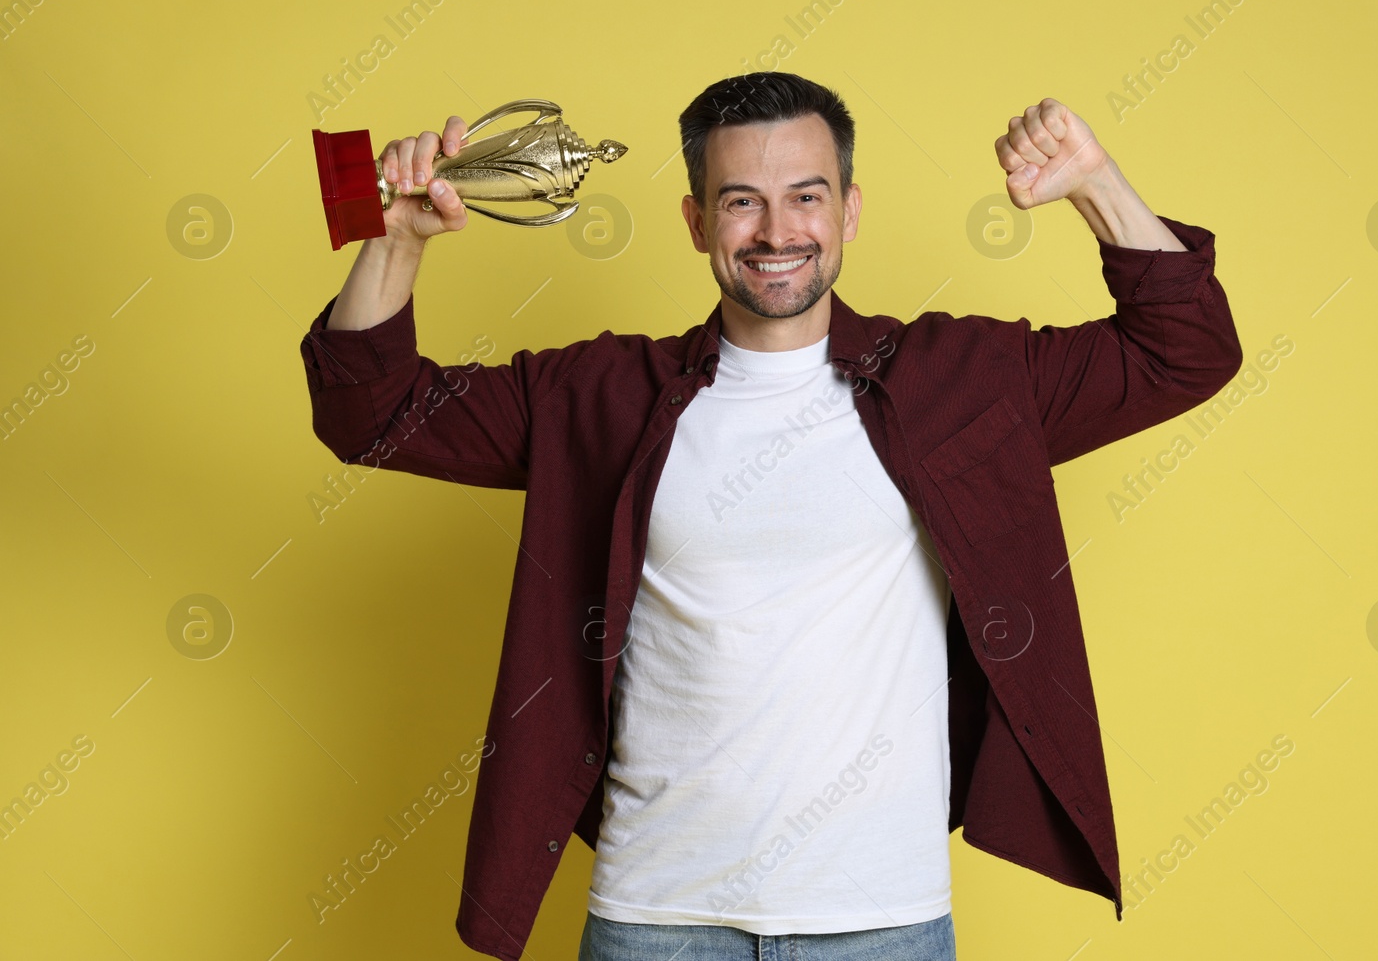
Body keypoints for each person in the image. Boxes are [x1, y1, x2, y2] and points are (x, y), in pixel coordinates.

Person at [300, 72, 1243, 961]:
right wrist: (395, 238)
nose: (776, 228)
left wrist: (1094, 183)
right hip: (656, 918)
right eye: (742, 199)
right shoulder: (600, 397)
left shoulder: (962, 382)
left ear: (850, 210)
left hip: (882, 920)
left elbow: (1186, 352)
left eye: (806, 194)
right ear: (696, 220)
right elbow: (369, 416)